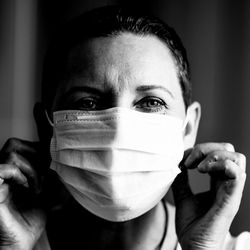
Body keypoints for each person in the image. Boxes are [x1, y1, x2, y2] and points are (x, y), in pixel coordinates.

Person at [0, 5, 249, 250]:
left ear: (188, 128)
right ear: (46, 127)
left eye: (152, 102)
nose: (119, 131)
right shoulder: (9, 237)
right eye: (88, 102)